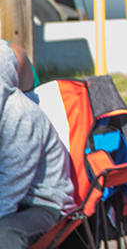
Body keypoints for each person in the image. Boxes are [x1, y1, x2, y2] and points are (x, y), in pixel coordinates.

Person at [0, 39, 74, 249]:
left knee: (4, 235)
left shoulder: (20, 116)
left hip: (39, 204)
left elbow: (8, 194)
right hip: (10, 198)